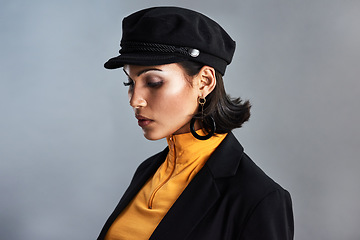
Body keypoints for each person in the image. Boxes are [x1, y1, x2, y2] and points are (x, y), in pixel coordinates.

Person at [97, 6, 294, 240]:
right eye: (129, 83)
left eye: (153, 82)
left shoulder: (258, 198)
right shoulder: (148, 170)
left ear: (205, 82)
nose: (135, 100)